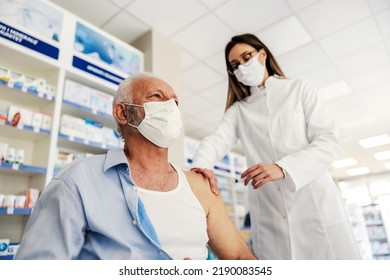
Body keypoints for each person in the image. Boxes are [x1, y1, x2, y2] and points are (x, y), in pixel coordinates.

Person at [15, 72, 256, 260]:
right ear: (123, 112)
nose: (171, 108)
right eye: (157, 97)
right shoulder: (77, 182)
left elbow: (238, 257)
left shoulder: (200, 187)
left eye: (175, 102)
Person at [191, 33, 361, 260]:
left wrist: (283, 168)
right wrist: (201, 170)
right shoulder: (239, 111)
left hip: (315, 207)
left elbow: (328, 141)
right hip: (270, 219)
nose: (242, 66)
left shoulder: (299, 89)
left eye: (246, 57)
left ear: (263, 54)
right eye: (235, 65)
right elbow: (214, 141)